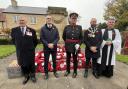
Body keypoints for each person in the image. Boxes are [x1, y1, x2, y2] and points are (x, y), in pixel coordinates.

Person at [11, 16, 38, 84]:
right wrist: (19, 47)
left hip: (30, 51)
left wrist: (31, 47)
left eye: (23, 20)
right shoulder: (14, 30)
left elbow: (35, 41)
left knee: (31, 64)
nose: (21, 21)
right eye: (20, 20)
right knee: (22, 64)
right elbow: (13, 41)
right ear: (18, 21)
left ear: (26, 21)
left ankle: (32, 76)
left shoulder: (32, 30)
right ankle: (26, 76)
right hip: (20, 52)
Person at [62, 12, 83, 78]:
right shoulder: (66, 27)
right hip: (68, 46)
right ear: (70, 19)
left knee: (75, 59)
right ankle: (67, 71)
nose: (74, 19)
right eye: (72, 18)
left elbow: (81, 38)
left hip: (75, 46)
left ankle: (75, 71)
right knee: (68, 59)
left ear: (76, 19)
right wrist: (67, 42)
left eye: (75, 18)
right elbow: (63, 36)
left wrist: (78, 44)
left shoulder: (79, 27)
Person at [40, 15, 60, 80]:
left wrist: (53, 44)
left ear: (52, 20)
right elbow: (42, 38)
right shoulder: (43, 28)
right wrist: (47, 44)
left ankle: (55, 72)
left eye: (50, 18)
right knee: (46, 61)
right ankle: (46, 73)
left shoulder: (55, 28)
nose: (49, 19)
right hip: (46, 48)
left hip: (54, 48)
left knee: (54, 60)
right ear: (46, 20)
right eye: (47, 18)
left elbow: (57, 37)